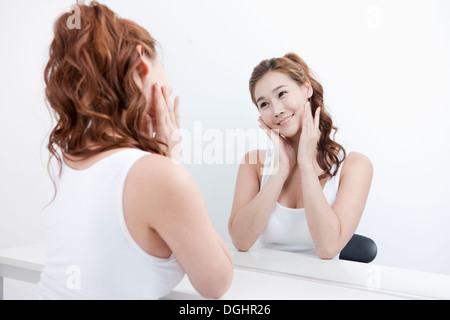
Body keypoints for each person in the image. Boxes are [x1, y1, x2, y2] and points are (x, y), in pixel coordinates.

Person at [37, 2, 232, 300]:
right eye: (164, 70)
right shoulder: (160, 175)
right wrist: (173, 161)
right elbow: (216, 283)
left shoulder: (71, 160)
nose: (169, 88)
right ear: (142, 60)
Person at [228, 53, 373, 259]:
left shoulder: (355, 165)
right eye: (264, 104)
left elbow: (328, 248)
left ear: (306, 89)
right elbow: (241, 241)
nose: (276, 110)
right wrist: (281, 171)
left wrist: (305, 165)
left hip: (322, 286)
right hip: (262, 282)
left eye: (282, 94)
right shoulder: (254, 163)